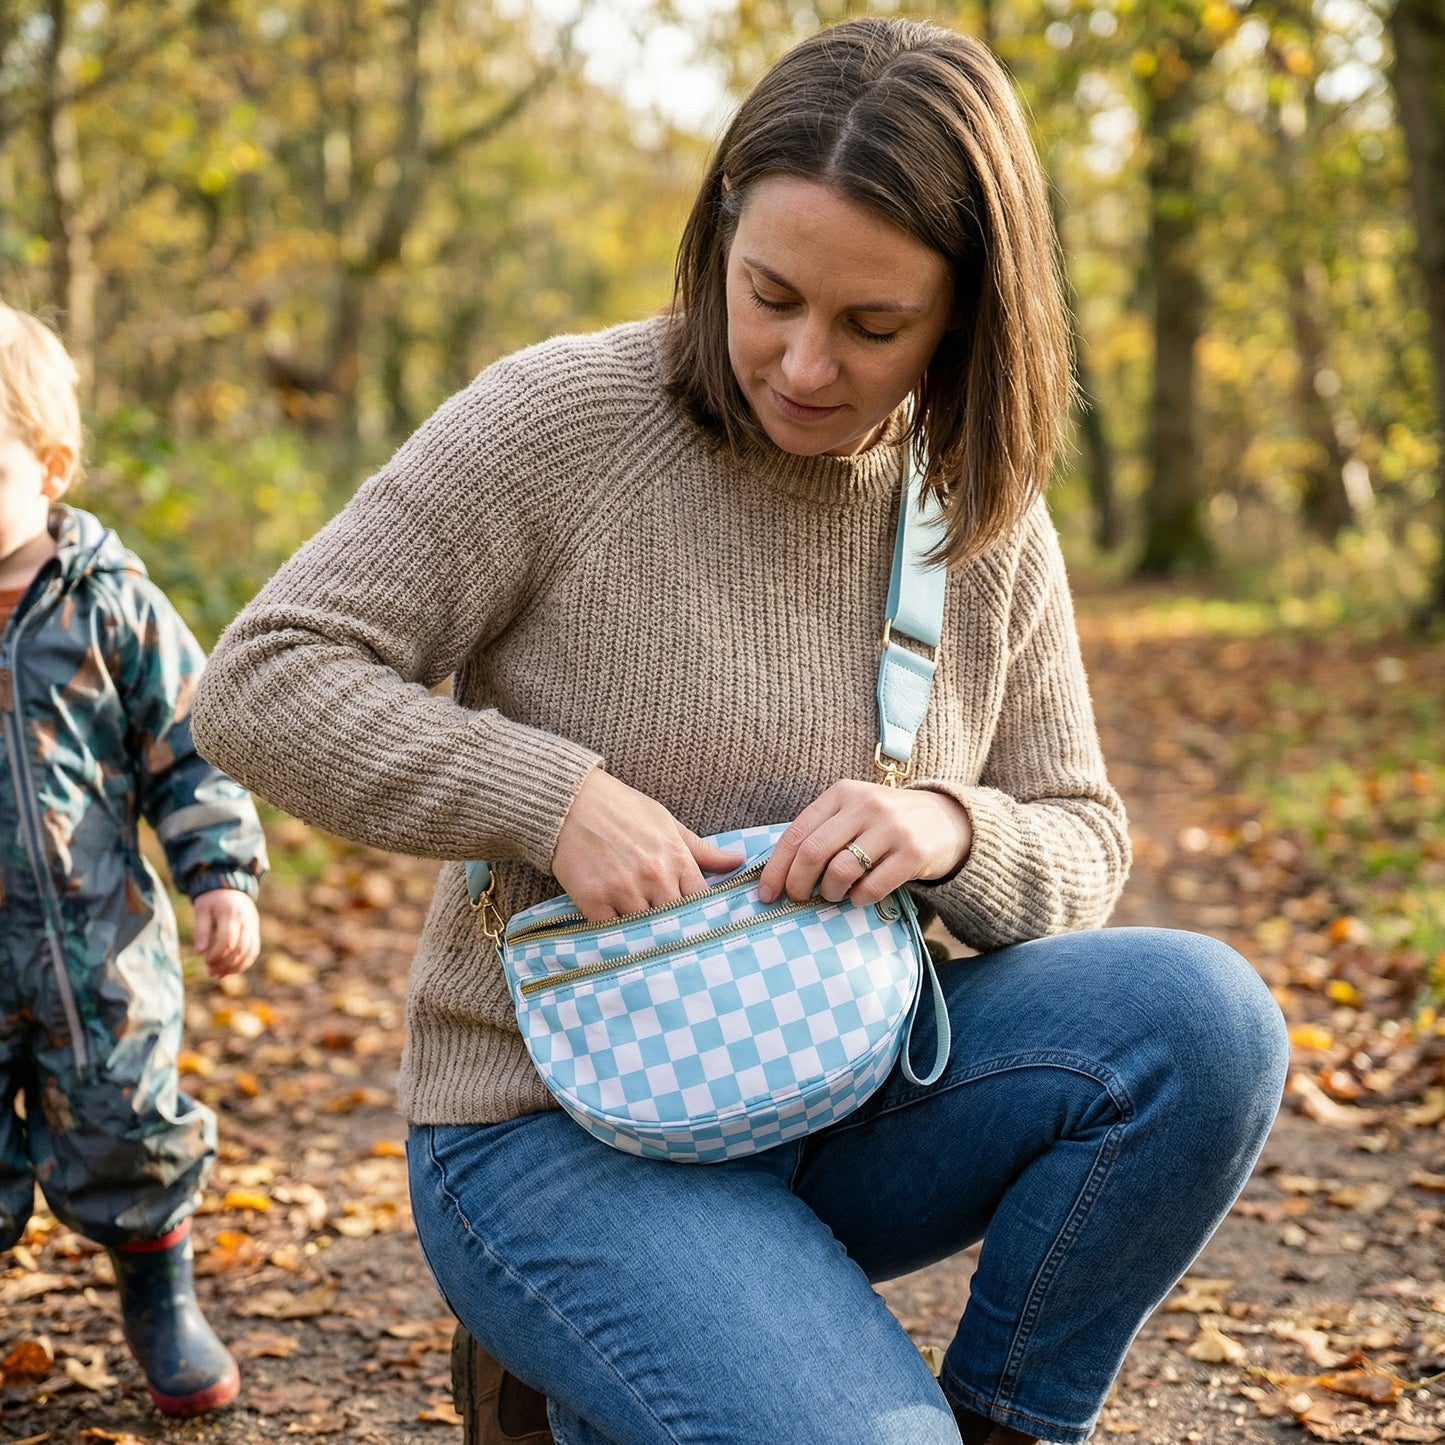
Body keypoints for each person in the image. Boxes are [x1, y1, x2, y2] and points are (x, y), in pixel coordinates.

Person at [191, 18, 1288, 1445]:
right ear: (719, 230)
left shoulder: (978, 508)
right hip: (550, 1127)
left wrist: (951, 828)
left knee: (1205, 1023)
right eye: (768, 293)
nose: (804, 362)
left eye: (872, 326)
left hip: (847, 1084)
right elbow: (262, 677)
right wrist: (548, 797)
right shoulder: (561, 421)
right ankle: (581, 1343)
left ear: (968, 313)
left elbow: (1082, 836)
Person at [0, 305, 269, 1418]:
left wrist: (220, 874)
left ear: (48, 467)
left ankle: (160, 1301)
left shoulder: (111, 605)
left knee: (128, 1124)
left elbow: (194, 746)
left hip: (97, 948)